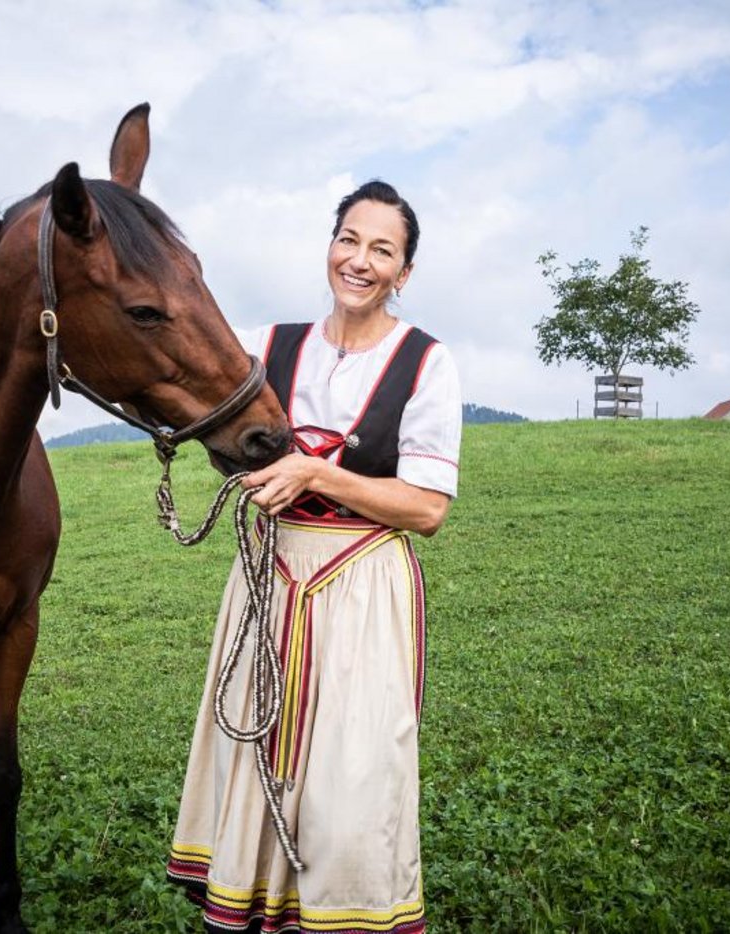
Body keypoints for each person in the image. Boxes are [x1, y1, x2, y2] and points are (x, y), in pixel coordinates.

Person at [168, 180, 462, 933]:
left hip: (361, 581)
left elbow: (427, 509)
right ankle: (253, 904)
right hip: (268, 578)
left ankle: (345, 911)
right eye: (348, 240)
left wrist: (319, 473)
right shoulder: (270, 347)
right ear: (330, 246)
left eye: (382, 250)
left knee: (354, 771)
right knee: (253, 746)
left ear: (404, 272)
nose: (359, 261)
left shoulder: (427, 363)